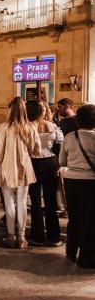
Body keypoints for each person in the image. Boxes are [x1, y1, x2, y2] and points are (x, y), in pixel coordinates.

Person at [0, 97, 40, 249]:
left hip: (7, 167)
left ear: (11, 109)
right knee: (22, 203)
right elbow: (36, 150)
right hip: (24, 167)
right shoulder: (30, 127)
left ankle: (10, 236)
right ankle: (21, 238)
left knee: (9, 203)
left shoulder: (4, 127)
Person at [59, 104, 95, 268]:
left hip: (71, 180)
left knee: (75, 218)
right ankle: (87, 258)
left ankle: (71, 253)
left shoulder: (69, 137)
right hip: (90, 182)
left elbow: (62, 161)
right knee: (90, 221)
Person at [26, 100, 63, 247]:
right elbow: (60, 142)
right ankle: (54, 237)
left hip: (34, 162)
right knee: (50, 200)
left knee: (35, 201)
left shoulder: (26, 127)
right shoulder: (50, 125)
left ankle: (37, 236)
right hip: (51, 162)